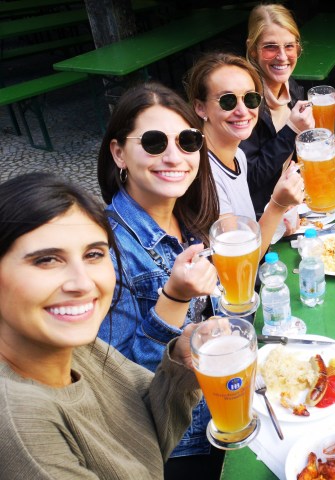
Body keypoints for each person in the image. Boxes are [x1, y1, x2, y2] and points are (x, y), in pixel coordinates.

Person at [0, 173, 201, 479]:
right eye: (46, 260)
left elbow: (145, 437)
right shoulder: (21, 423)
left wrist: (181, 365)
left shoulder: (77, 346)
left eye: (94, 254)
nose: (83, 283)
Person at [96, 83, 223, 478]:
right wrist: (174, 297)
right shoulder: (102, 248)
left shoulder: (187, 217)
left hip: (222, 411)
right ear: (119, 153)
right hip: (179, 449)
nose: (174, 156)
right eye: (153, 142)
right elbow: (115, 384)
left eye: (188, 141)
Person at [185, 51, 304, 254]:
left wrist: (279, 219)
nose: (242, 110)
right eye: (228, 101)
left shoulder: (237, 156)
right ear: (200, 108)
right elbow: (241, 261)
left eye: (250, 99)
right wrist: (277, 205)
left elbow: (246, 234)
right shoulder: (203, 172)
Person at [241, 3, 335, 218]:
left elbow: (304, 157)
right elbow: (248, 178)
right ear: (252, 49)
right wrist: (291, 130)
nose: (282, 56)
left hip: (297, 205)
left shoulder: (293, 88)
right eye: (270, 47)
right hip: (261, 217)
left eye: (289, 46)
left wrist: (319, 126)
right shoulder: (244, 101)